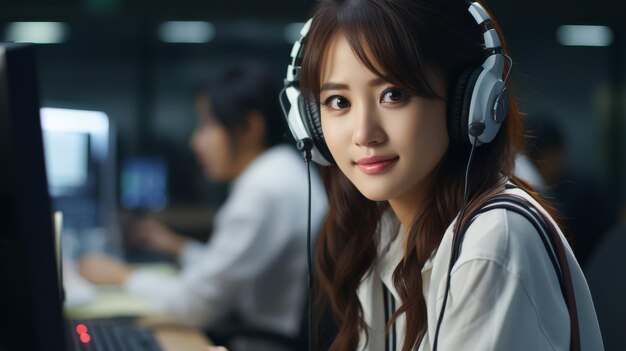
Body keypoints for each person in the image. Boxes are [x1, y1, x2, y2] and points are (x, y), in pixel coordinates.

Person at [243, 0, 600, 350]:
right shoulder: (388, 232)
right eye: (339, 102)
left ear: (469, 102)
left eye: (393, 95)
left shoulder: (493, 241)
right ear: (310, 123)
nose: (363, 133)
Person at [78, 62, 328, 351]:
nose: (196, 142)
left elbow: (195, 305)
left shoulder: (265, 189)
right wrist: (178, 247)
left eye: (207, 125)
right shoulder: (282, 170)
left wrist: (121, 275)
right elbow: (227, 272)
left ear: (249, 127)